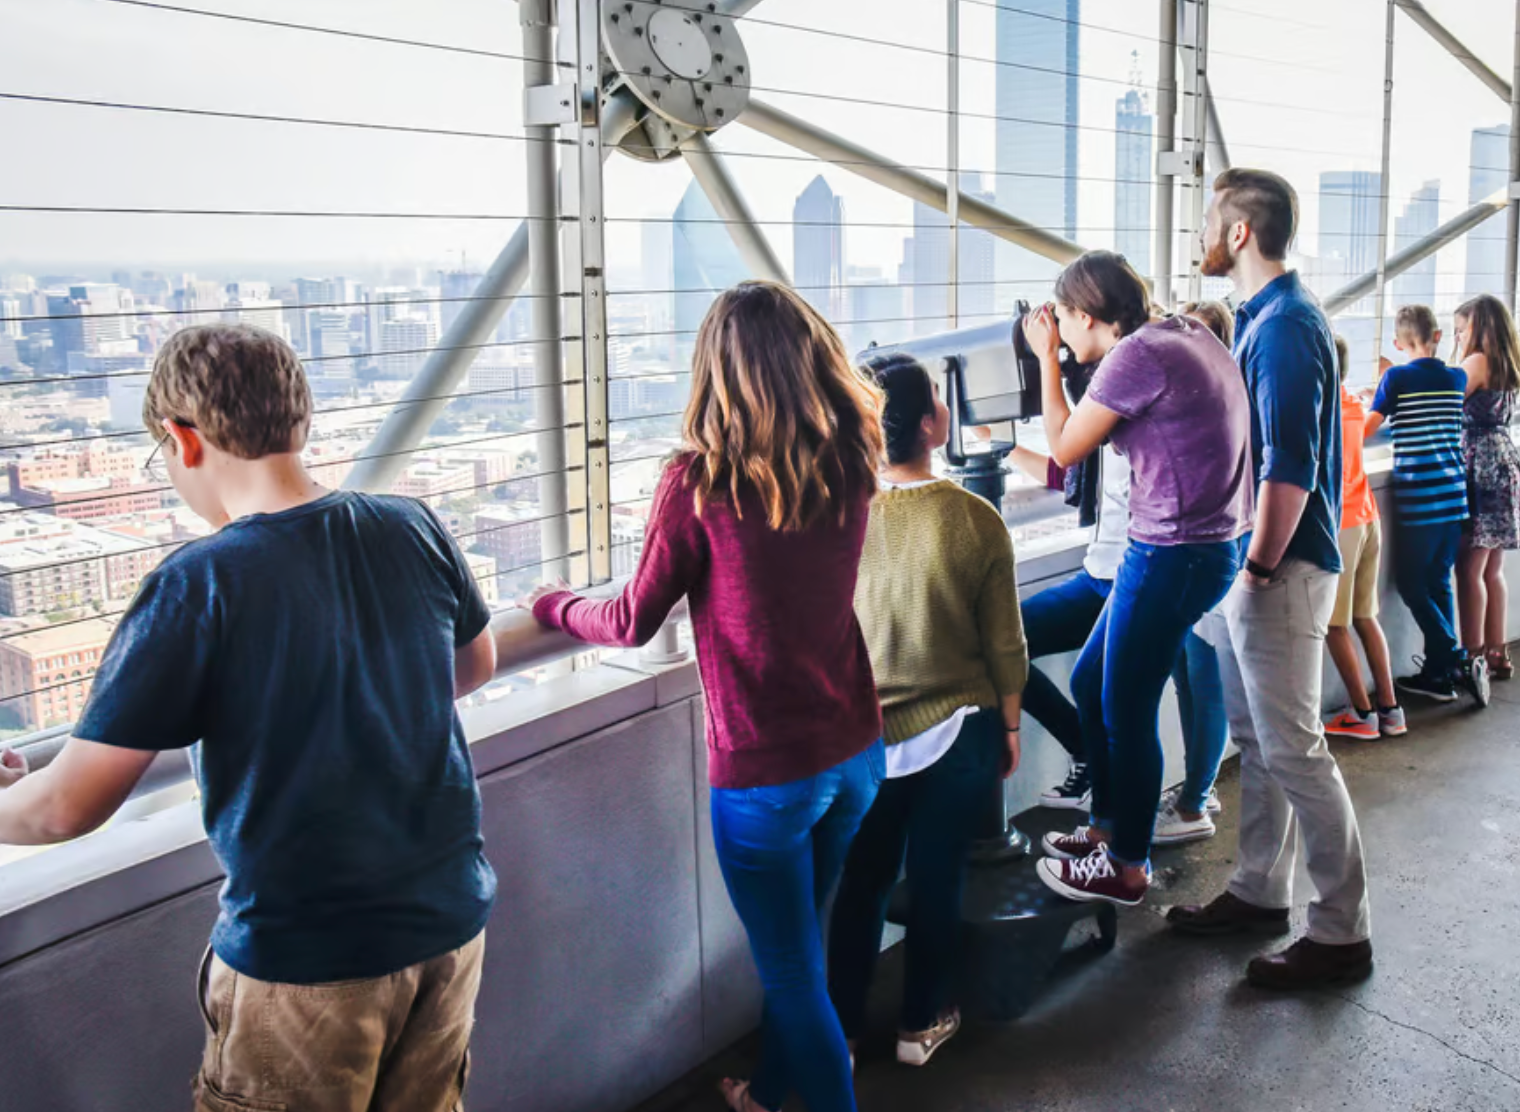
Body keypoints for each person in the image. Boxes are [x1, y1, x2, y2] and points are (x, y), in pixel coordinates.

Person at [0, 324, 500, 1111]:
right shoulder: (411, 523)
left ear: (180, 439)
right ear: (298, 419)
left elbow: (67, 804)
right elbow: (472, 667)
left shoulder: (200, 582)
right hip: (448, 921)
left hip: (310, 955)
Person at [528, 282, 884, 1112]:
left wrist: (549, 604)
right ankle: (768, 1089)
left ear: (714, 372)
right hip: (856, 749)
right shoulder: (850, 457)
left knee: (791, 966)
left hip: (766, 772)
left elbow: (626, 619)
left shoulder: (700, 483)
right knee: (804, 943)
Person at [1169, 168, 1373, 991]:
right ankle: (1260, 889)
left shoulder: (1286, 327)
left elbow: (1289, 466)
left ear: (1241, 233)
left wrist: (1254, 567)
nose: (1200, 237)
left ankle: (1341, 932)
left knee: (1295, 749)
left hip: (1277, 566)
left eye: (1208, 223)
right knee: (1260, 742)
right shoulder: (1261, 320)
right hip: (1260, 563)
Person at [1025, 251, 1253, 907]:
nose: (1060, 332)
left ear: (1087, 314)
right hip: (1191, 547)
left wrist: (1045, 360)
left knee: (1125, 706)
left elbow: (1065, 445)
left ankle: (1127, 865)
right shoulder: (1188, 332)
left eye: (1062, 318)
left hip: (1174, 552)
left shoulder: (1135, 355)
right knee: (1090, 681)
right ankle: (1106, 830)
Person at [828, 353, 1028, 1069]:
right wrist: (1009, 726)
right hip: (961, 731)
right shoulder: (976, 520)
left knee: (862, 885)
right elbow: (1006, 644)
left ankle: (841, 1036)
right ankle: (920, 1026)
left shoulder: (843, 517)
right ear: (934, 424)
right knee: (940, 878)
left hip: (866, 737)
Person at [1363, 305, 1488, 706]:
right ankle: (1439, 674)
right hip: (1453, 496)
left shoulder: (1396, 377)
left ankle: (1452, 657)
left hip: (1419, 499)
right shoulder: (1454, 376)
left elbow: (1369, 427)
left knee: (1413, 585)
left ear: (1398, 344)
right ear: (1437, 336)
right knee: (1438, 581)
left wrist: (1374, 395)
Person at [1008, 437, 1129, 811]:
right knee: (1005, 645)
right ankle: (1086, 752)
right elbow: (1066, 474)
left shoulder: (1144, 431)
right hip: (1096, 578)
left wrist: (1049, 374)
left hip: (1135, 583)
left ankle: (1117, 829)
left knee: (1104, 691)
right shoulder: (1100, 443)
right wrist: (1001, 445)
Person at [1323, 333, 1406, 739]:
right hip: (1368, 516)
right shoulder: (1352, 403)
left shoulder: (1321, 412)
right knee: (1364, 617)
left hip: (1341, 526)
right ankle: (1391, 709)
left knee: (1333, 625)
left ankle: (1362, 714)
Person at [1452, 294, 1520, 682]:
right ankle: (1498, 651)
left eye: (1462, 328)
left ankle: (1473, 654)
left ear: (1478, 326)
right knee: (1493, 568)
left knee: (1469, 568)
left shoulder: (1476, 363)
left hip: (1480, 465)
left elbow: (1446, 401)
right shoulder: (1507, 362)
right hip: (1504, 461)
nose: (1459, 335)